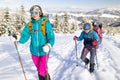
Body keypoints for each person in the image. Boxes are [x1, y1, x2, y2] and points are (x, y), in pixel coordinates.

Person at [18, 5, 55, 80]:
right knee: (40, 69)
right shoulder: (30, 25)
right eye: (32, 12)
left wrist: (48, 45)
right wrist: (18, 39)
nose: (34, 14)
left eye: (36, 12)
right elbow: (25, 36)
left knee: (41, 70)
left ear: (40, 13)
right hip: (34, 51)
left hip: (44, 51)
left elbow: (51, 37)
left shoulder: (45, 23)